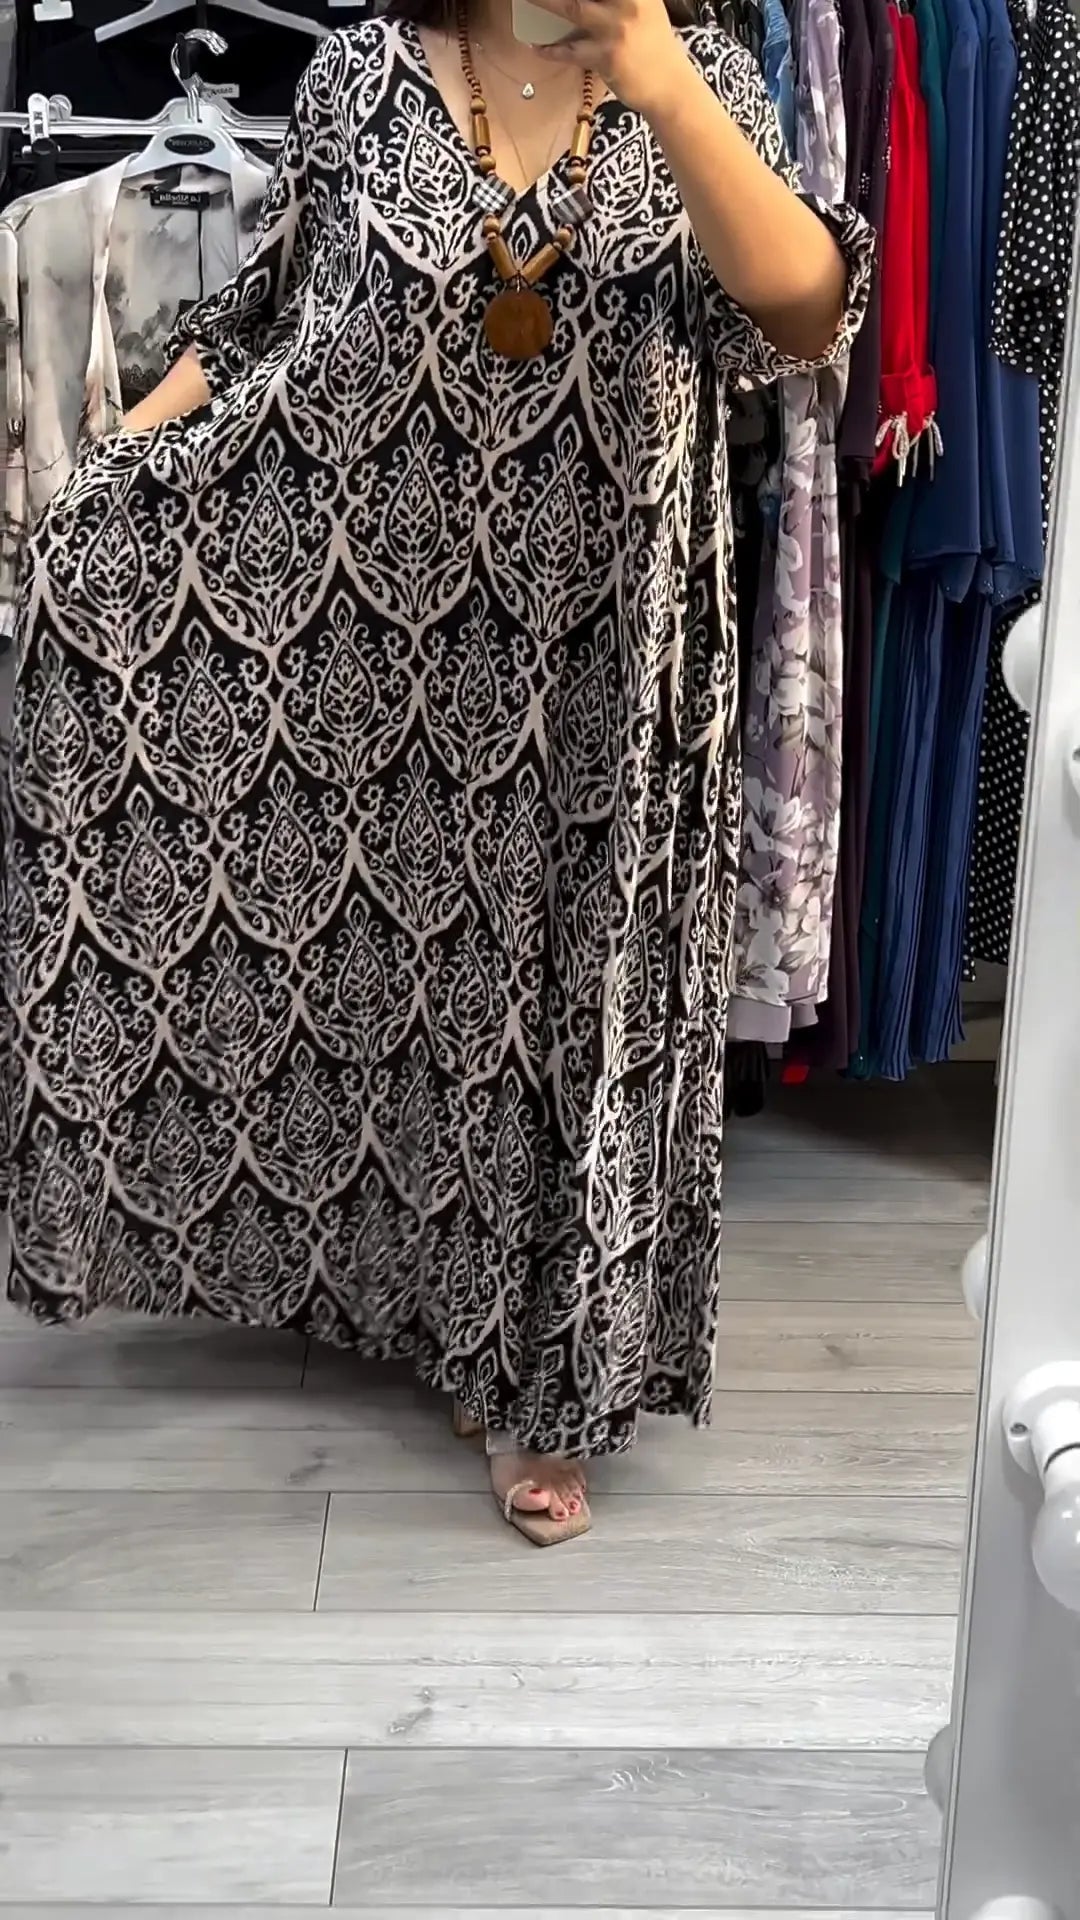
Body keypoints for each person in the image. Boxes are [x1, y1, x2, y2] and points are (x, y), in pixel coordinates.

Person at [6, 0, 870, 1545]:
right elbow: (264, 329)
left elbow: (804, 318)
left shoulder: (706, 79)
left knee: (576, 1002)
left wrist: (663, 84)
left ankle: (541, 1367)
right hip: (391, 654)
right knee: (418, 1004)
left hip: (607, 650)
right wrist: (113, 482)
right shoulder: (362, 77)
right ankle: (446, 1318)